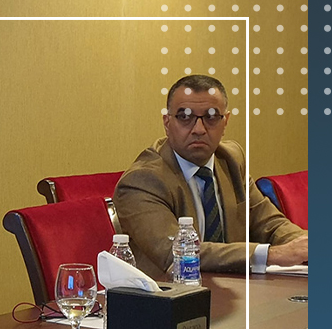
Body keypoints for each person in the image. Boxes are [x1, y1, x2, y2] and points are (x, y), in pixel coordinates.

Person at [114, 74, 308, 280]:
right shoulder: (142, 181)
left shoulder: (231, 160)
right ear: (167, 123)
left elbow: (270, 224)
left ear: (225, 122)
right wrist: (271, 254)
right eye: (185, 117)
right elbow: (176, 253)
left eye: (211, 117)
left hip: (236, 289)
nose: (199, 129)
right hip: (171, 294)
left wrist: (303, 244)